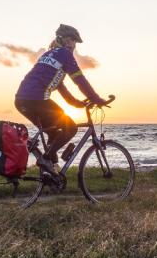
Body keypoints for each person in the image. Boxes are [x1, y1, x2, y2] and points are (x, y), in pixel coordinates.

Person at [15, 24, 107, 174]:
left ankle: (51, 172)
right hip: (36, 100)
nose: (74, 45)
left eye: (75, 42)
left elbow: (60, 86)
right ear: (64, 40)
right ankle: (45, 160)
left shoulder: (49, 54)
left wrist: (76, 103)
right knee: (70, 127)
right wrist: (96, 98)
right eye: (72, 41)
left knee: (54, 133)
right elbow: (79, 80)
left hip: (21, 101)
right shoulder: (65, 54)